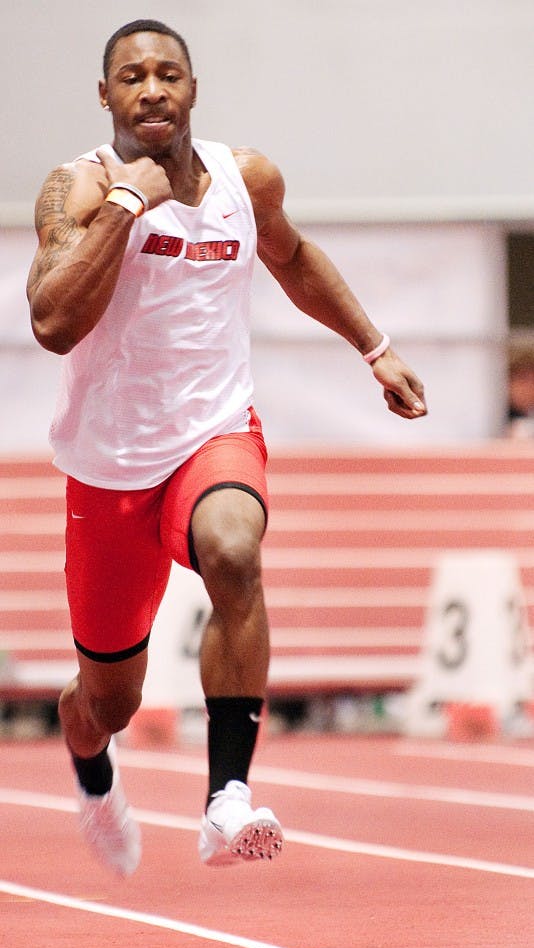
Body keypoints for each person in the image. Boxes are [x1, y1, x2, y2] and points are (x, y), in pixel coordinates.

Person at [26, 18, 427, 876]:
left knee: (234, 551)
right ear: (106, 96)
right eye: (131, 77)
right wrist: (132, 205)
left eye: (169, 74)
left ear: (194, 88)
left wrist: (375, 347)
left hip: (215, 432)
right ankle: (93, 771)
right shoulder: (79, 189)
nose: (152, 90)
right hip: (109, 466)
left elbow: (294, 257)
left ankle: (227, 799)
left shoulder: (246, 178)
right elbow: (54, 323)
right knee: (110, 702)